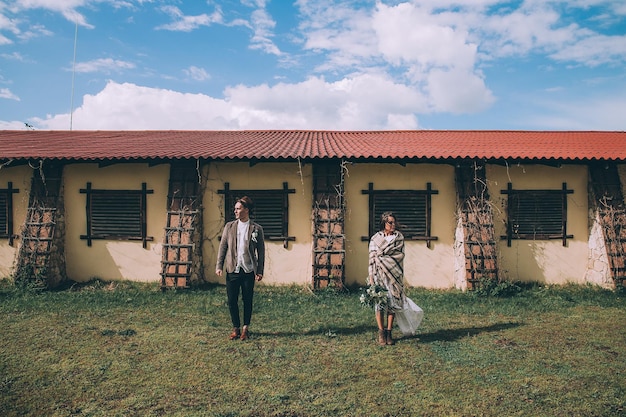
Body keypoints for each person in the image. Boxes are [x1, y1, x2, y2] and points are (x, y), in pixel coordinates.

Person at [216, 196, 265, 341]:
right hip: (233, 269)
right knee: (232, 300)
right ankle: (235, 328)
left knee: (247, 299)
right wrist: (219, 265)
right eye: (235, 208)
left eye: (238, 208)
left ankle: (245, 328)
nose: (235, 211)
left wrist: (260, 270)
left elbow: (261, 252)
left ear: (246, 210)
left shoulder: (256, 229)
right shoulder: (229, 226)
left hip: (249, 270)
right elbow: (223, 246)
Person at [368, 211, 406, 346]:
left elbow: (399, 256)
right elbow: (372, 259)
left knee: (392, 302)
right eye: (390, 222)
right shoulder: (375, 239)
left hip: (393, 275)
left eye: (394, 222)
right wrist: (371, 277)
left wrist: (384, 258)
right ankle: (381, 332)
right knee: (379, 303)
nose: (393, 225)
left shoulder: (399, 238)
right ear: (384, 223)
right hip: (379, 275)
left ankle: (389, 332)